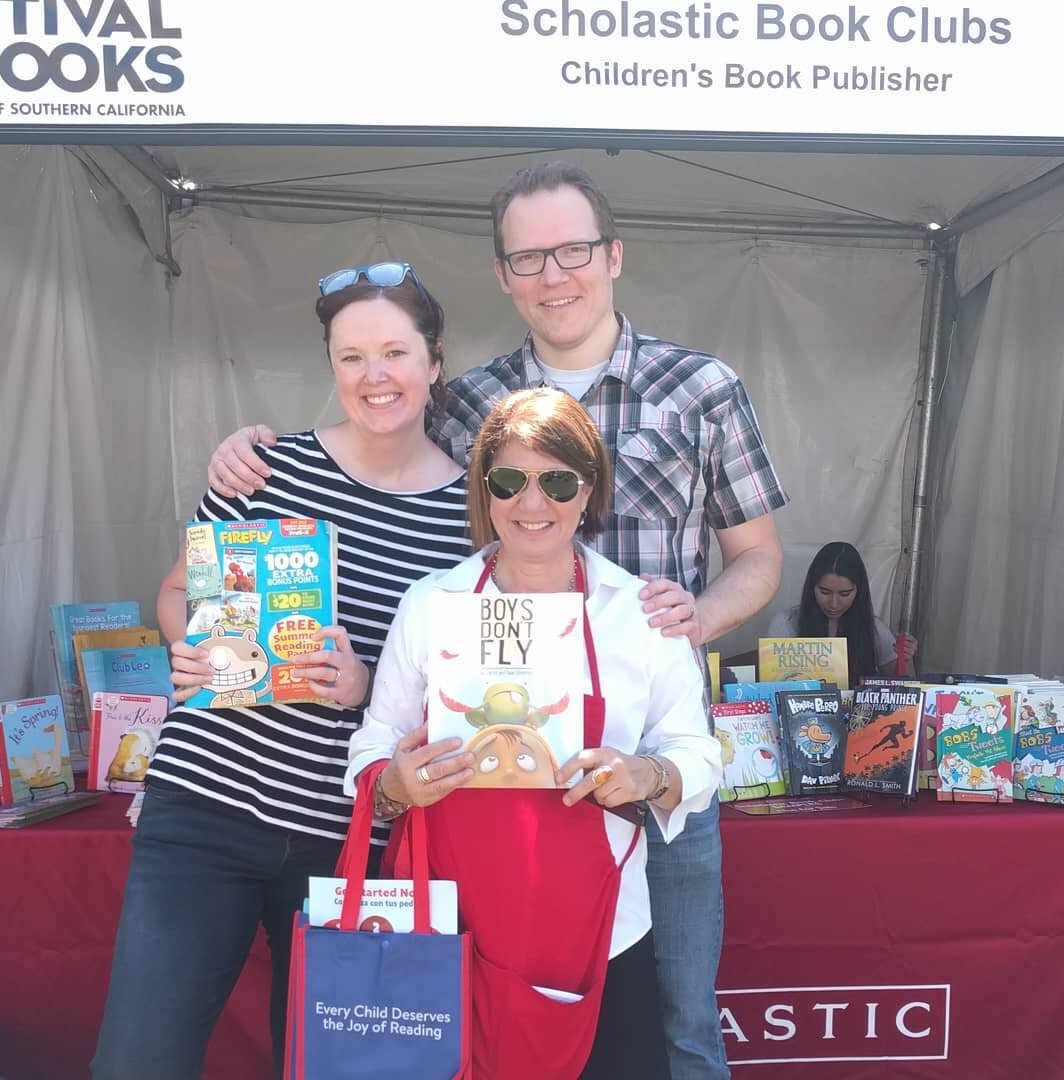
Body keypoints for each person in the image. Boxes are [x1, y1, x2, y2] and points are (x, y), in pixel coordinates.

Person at [207, 161, 789, 1079]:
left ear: (613, 256)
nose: (555, 273)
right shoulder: (465, 400)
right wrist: (257, 452)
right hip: (494, 811)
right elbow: (375, 421)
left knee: (672, 1023)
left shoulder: (701, 387)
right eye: (530, 256)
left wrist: (688, 618)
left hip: (642, 758)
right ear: (504, 274)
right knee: (477, 1026)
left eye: (574, 250)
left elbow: (758, 557)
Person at [92, 263, 472, 1080]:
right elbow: (172, 596)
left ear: (434, 362)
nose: (374, 377)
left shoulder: (468, 516)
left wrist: (368, 684)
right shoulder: (269, 469)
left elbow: (464, 683)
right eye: (350, 357)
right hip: (206, 808)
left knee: (329, 1066)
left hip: (350, 838)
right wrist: (188, 645)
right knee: (139, 1057)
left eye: (396, 353)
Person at [346, 388, 723, 1079]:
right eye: (509, 481)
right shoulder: (433, 605)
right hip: (450, 933)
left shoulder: (641, 613)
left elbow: (697, 751)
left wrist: (651, 776)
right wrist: (394, 784)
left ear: (589, 492)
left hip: (606, 934)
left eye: (556, 481)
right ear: (483, 491)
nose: (531, 503)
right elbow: (373, 744)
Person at [767, 541, 918, 683]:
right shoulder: (785, 624)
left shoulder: (873, 628)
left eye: (844, 594)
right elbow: (772, 686)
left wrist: (906, 659)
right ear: (811, 587)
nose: (834, 604)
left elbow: (904, 687)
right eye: (824, 592)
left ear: (859, 592)